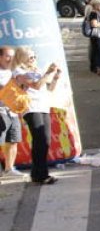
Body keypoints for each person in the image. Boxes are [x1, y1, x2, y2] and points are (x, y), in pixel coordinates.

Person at [13, 48, 62, 185]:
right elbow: (36, 85)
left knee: (45, 140)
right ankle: (41, 175)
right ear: (22, 58)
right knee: (39, 138)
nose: (33, 59)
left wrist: (55, 77)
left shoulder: (37, 70)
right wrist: (48, 72)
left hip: (43, 106)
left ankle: (36, 173)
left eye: (34, 57)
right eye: (30, 57)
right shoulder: (19, 72)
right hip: (30, 107)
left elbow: (49, 88)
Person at [0, 45, 24, 180]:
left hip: (12, 111)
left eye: (12, 56)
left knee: (13, 140)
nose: (11, 59)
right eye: (8, 56)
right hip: (1, 111)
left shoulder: (13, 70)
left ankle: (9, 168)